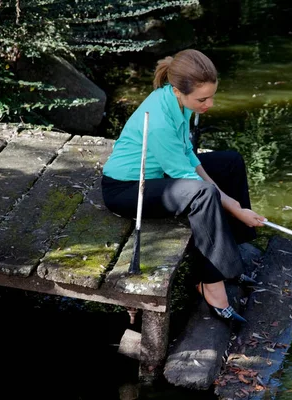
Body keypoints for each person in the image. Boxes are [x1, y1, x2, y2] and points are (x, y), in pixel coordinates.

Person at [101, 49, 265, 323]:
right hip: (128, 190)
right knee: (203, 193)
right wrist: (233, 207)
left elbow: (188, 153)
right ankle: (211, 284)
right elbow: (187, 176)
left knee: (231, 162)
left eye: (212, 96)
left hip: (159, 176)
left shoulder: (178, 102)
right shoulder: (160, 121)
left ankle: (231, 260)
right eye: (203, 99)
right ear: (178, 90)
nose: (209, 104)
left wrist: (230, 201)